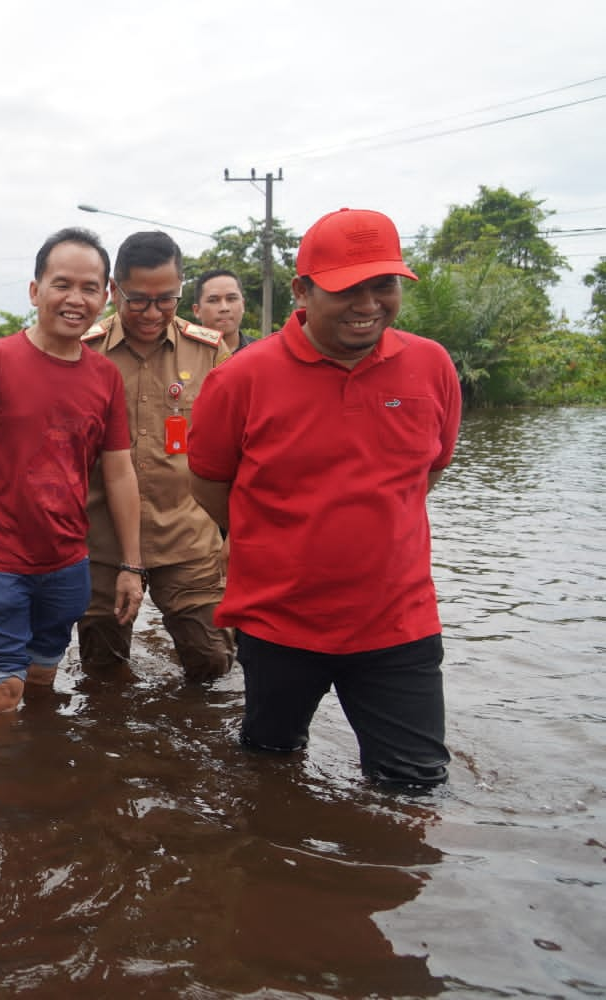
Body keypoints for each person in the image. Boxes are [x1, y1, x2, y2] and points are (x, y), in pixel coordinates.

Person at [188, 207, 462, 786]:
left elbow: (428, 470)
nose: (368, 305)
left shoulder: (431, 365)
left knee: (414, 789)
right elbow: (211, 483)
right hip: (279, 622)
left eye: (383, 285)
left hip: (399, 622)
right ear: (303, 291)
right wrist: (274, 539)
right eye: (346, 289)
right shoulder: (240, 378)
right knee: (270, 768)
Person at [0, 227, 144, 717]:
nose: (75, 299)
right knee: (0, 691)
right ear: (35, 291)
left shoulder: (105, 378)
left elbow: (119, 473)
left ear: (106, 296)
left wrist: (131, 566)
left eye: (89, 288)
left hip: (64, 561)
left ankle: (34, 776)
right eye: (61, 284)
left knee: (42, 677)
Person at [78, 232, 235, 684]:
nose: (152, 314)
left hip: (186, 537)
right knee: (101, 670)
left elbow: (238, 444)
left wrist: (235, 534)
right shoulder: (82, 352)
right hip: (100, 540)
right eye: (138, 300)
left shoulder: (209, 352)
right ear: (114, 291)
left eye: (166, 300)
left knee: (212, 660)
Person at [192, 269, 254, 353]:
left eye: (231, 299)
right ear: (197, 311)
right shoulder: (182, 354)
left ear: (243, 305)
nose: (224, 308)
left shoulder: (261, 352)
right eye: (213, 300)